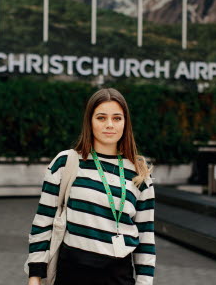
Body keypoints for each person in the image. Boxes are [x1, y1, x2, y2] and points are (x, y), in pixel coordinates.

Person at [27, 88, 156, 285]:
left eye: (117, 118)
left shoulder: (140, 174)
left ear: (125, 123)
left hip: (118, 276)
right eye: (101, 118)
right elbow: (43, 222)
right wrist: (34, 276)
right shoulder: (66, 163)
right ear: (90, 121)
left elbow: (146, 241)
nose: (109, 125)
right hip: (72, 274)